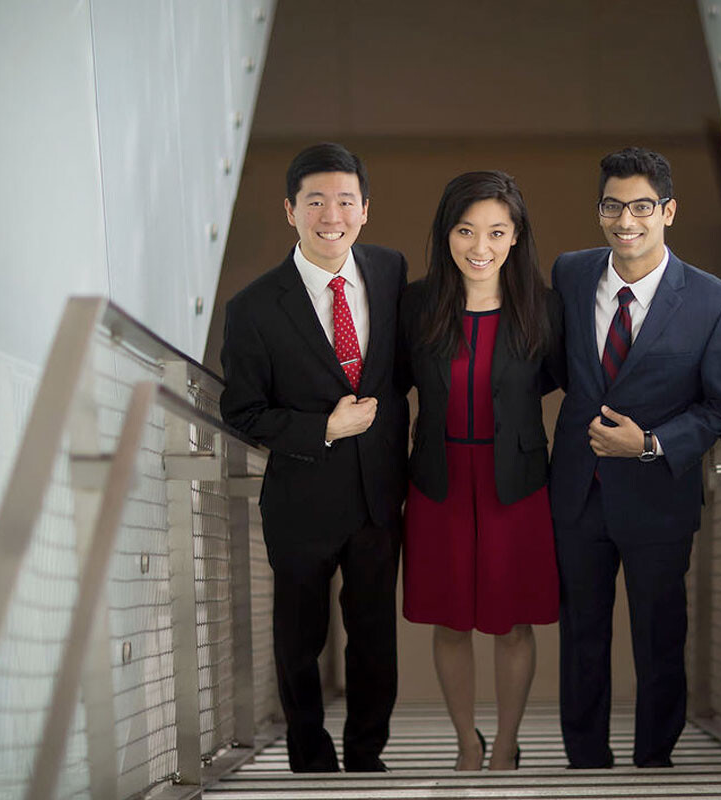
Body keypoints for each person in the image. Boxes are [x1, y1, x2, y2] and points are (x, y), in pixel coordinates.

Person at [549, 147, 721, 768]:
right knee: (581, 636)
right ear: (600, 210)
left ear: (668, 210)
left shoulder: (715, 303)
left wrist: (652, 444)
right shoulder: (571, 274)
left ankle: (653, 761)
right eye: (613, 206)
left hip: (659, 495)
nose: (625, 220)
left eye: (641, 206)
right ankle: (585, 760)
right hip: (579, 492)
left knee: (660, 636)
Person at [220, 142, 408, 773]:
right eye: (316, 202)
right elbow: (241, 411)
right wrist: (322, 427)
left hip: (379, 494)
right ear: (290, 211)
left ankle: (365, 754)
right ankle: (308, 752)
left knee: (375, 637)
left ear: (365, 210)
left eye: (346, 201)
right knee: (300, 637)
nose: (333, 215)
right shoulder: (252, 308)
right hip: (300, 497)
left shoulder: (389, 272)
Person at [399, 171, 564, 771]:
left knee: (513, 622)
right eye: (465, 230)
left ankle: (505, 746)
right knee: (450, 621)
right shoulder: (416, 305)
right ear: (446, 233)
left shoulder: (543, 308)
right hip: (439, 479)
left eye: (496, 232)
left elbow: (556, 381)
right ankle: (466, 742)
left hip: (515, 484)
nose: (480, 247)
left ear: (516, 236)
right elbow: (394, 385)